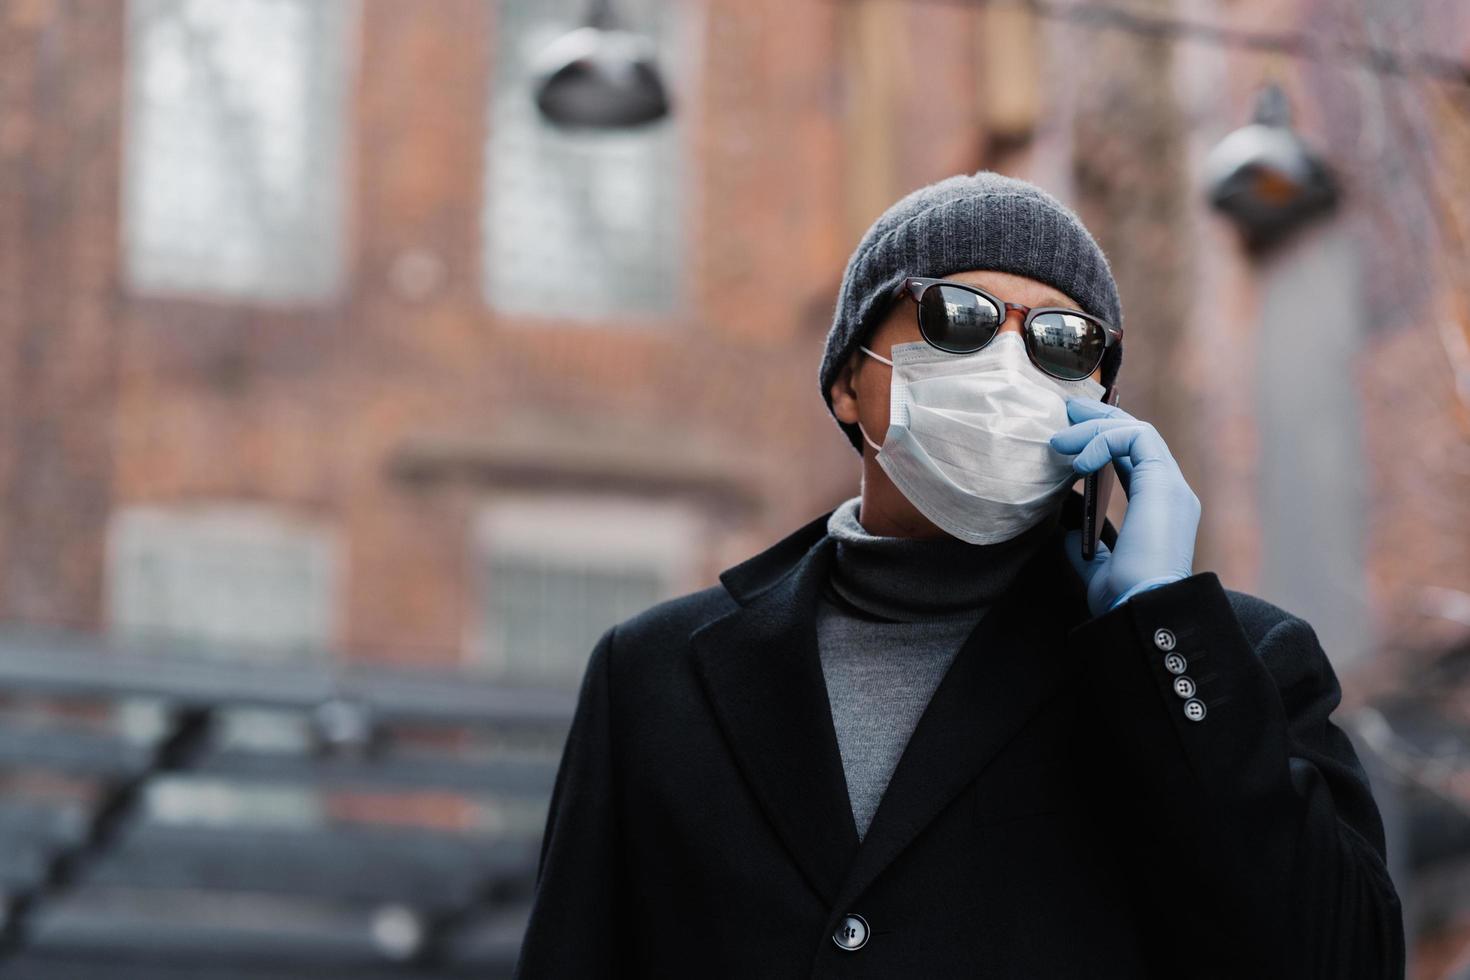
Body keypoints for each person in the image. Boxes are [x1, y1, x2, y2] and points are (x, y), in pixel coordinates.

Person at [511, 171, 1405, 978]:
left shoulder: (1231, 665)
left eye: (1061, 341)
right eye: (959, 316)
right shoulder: (653, 674)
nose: (1009, 364)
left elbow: (1338, 958)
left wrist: (1160, 626)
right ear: (849, 383)